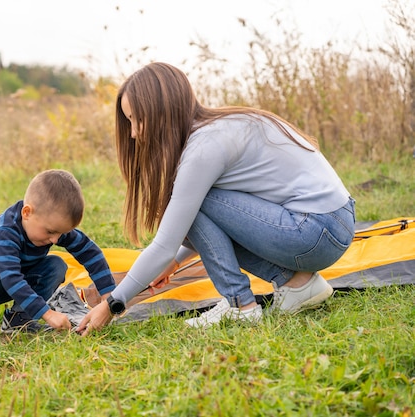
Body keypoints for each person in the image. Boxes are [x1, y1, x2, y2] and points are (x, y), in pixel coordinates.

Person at [77, 62, 355, 335]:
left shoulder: (204, 149)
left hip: (314, 231)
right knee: (197, 200)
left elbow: (165, 244)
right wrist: (176, 261)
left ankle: (240, 306)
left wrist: (113, 304)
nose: (134, 133)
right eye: (129, 122)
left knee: (195, 199)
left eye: (138, 120)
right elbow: (229, 217)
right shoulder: (218, 127)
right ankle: (297, 284)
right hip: (330, 224)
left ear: (162, 111)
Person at [0, 169, 116, 346]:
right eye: (51, 232)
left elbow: (89, 251)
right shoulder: (6, 231)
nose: (55, 239)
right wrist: (47, 313)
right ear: (27, 213)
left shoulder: (50, 227)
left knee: (56, 265)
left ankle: (19, 319)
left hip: (8, 279)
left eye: (61, 233)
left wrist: (108, 295)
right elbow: (11, 278)